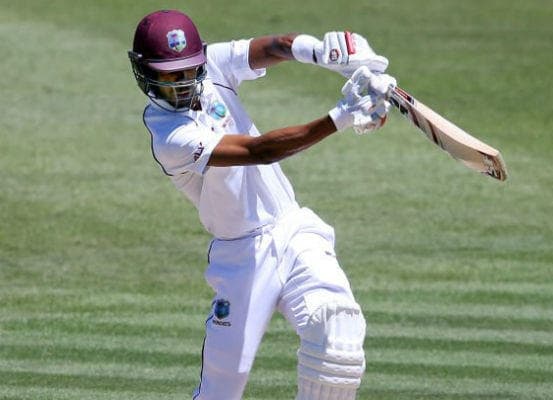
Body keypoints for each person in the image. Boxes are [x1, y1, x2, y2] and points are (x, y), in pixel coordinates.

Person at [128, 9, 395, 400]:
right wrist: (342, 115)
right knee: (222, 388)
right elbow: (259, 150)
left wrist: (326, 53)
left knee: (338, 333)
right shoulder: (170, 135)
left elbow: (275, 46)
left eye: (188, 71)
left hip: (294, 229)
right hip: (242, 257)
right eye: (170, 77)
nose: (182, 84)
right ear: (145, 74)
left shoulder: (212, 65)